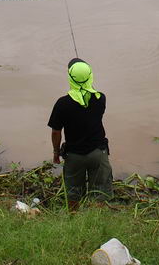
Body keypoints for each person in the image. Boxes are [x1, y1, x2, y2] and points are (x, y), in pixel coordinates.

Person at [48, 58, 112, 211]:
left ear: (70, 78)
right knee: (99, 192)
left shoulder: (62, 104)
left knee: (73, 193)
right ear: (91, 77)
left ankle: (74, 219)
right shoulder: (100, 98)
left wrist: (56, 152)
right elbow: (89, 98)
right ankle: (96, 221)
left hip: (74, 156)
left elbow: (56, 131)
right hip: (98, 152)